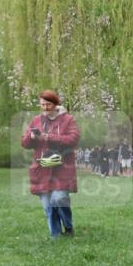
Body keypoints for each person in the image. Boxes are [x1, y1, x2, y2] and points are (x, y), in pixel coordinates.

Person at [21, 90, 81, 238]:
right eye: (42, 105)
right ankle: (56, 236)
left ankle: (68, 226)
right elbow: (25, 143)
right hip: (41, 169)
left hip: (62, 168)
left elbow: (73, 139)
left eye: (48, 104)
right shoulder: (36, 120)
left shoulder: (68, 120)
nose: (45, 108)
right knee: (48, 205)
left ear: (55, 104)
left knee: (59, 198)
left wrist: (48, 137)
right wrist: (31, 137)